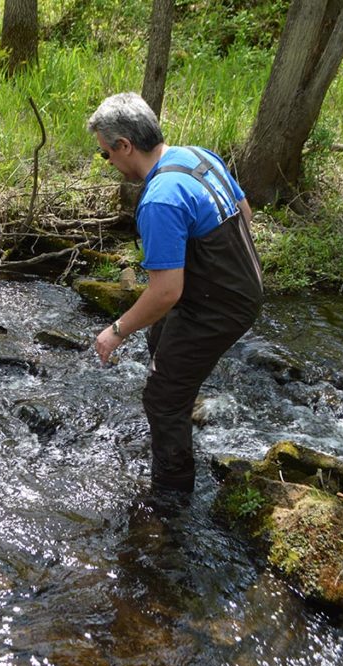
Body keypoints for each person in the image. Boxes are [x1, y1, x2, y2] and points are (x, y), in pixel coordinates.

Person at [87, 92, 263, 494]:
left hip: (217, 306)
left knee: (162, 398)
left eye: (105, 155)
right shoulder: (198, 156)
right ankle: (179, 391)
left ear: (125, 146)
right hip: (243, 282)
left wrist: (115, 330)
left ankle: (171, 497)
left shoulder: (160, 200)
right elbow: (245, 214)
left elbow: (166, 292)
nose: (109, 164)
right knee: (159, 337)